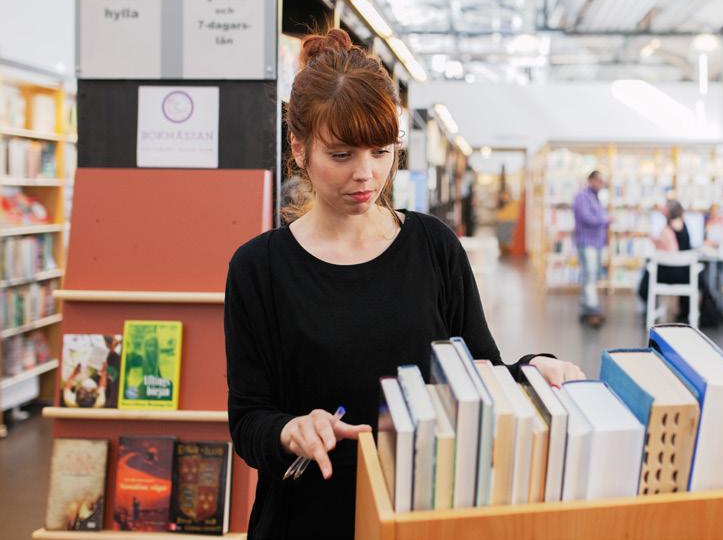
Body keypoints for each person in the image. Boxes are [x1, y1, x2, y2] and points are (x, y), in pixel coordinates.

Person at [224, 28, 585, 540]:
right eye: (342, 155)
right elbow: (248, 419)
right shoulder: (258, 268)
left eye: (381, 151)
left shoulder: (434, 247)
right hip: (308, 515)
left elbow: (479, 369)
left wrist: (531, 371)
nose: (367, 175)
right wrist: (290, 429)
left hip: (422, 510)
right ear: (299, 148)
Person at [638, 199, 694, 323]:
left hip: (668, 274)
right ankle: (685, 313)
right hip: (685, 275)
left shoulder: (667, 230)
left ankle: (649, 309)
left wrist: (657, 244)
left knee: (648, 274)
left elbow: (671, 251)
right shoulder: (684, 226)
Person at [572, 170, 610, 327]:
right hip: (587, 242)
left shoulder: (596, 197)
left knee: (591, 275)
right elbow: (587, 218)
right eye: (599, 181)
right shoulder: (582, 196)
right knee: (590, 275)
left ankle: (586, 308)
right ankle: (593, 310)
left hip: (597, 242)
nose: (601, 184)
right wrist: (605, 219)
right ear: (591, 180)